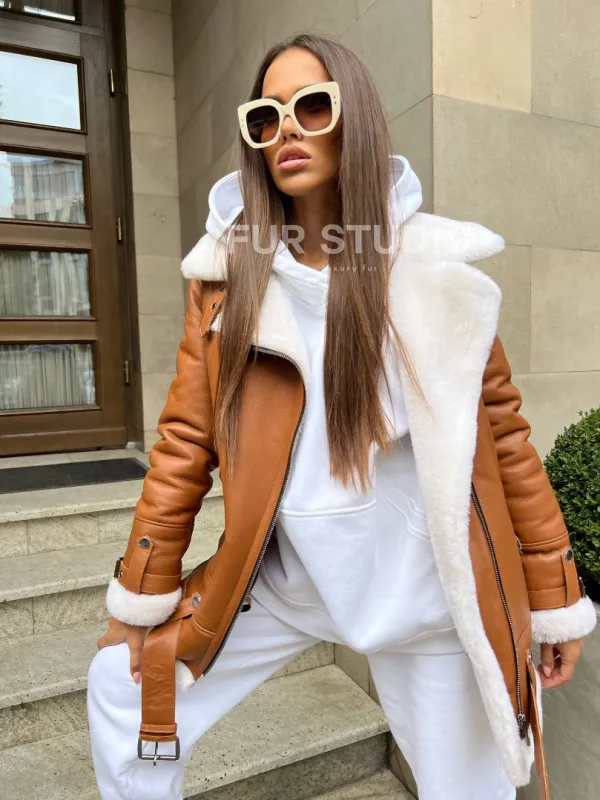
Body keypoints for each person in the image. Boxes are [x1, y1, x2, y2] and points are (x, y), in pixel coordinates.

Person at [87, 33, 597, 800]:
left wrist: (554, 595)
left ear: (351, 116)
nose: (287, 129)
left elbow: (506, 439)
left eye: (312, 106)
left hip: (423, 602)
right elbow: (184, 443)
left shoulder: (432, 271)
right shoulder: (225, 280)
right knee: (121, 688)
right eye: (266, 117)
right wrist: (142, 593)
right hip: (286, 586)